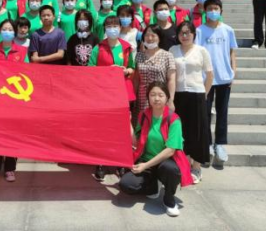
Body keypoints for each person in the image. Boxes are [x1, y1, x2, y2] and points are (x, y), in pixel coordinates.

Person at [119, 82, 193, 217]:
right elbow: (136, 141)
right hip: (146, 161)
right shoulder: (143, 115)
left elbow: (170, 150)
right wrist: (128, 121)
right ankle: (154, 186)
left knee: (170, 169)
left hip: (166, 162)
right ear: (148, 97)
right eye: (152, 95)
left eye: (160, 95)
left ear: (167, 97)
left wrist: (145, 166)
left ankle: (169, 200)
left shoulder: (174, 119)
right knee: (126, 184)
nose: (156, 98)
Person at [88, 15, 136, 181]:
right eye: (109, 26)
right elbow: (90, 70)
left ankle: (120, 162)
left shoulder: (126, 47)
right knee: (102, 128)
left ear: (120, 28)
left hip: (122, 92)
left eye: (115, 25)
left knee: (121, 128)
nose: (112, 28)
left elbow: (132, 68)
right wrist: (108, 71)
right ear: (105, 29)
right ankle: (101, 162)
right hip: (103, 94)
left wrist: (125, 70)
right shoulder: (98, 48)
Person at [169, 22, 213, 183]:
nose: (184, 36)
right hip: (179, 95)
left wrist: (204, 94)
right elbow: (171, 74)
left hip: (197, 95)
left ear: (194, 34)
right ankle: (185, 164)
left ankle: (197, 167)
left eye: (188, 32)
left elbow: (209, 75)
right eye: (181, 33)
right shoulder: (173, 50)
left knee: (198, 132)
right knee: (182, 131)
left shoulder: (201, 51)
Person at [0, 19, 29, 181]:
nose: (7, 32)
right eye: (4, 29)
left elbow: (27, 73)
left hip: (15, 99)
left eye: (10, 29)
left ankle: (10, 168)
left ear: (15, 32)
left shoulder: (22, 51)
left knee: (12, 134)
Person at [196, 0, 237, 166]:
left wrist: (233, 71)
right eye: (210, 9)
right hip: (206, 79)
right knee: (205, 112)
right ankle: (207, 143)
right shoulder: (199, 31)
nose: (213, 11)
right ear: (205, 11)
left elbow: (232, 52)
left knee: (222, 111)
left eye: (216, 8)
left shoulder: (228, 30)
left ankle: (220, 143)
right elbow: (197, 54)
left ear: (221, 11)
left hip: (224, 77)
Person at [133, 25, 176, 118]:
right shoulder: (139, 55)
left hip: (159, 97)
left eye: (153, 35)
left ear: (159, 38)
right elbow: (136, 78)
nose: (149, 38)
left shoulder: (167, 55)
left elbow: (171, 80)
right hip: (142, 98)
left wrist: (170, 100)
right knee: (143, 122)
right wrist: (134, 97)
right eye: (147, 35)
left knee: (158, 122)